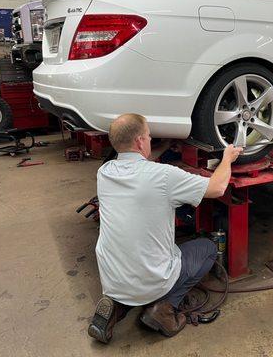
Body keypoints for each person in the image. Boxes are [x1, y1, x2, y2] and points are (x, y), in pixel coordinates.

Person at [88, 113, 242, 343]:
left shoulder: (105, 172)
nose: (151, 140)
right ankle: (163, 308)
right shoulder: (164, 176)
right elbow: (217, 187)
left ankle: (117, 306)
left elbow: (140, 165)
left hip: (112, 278)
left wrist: (166, 146)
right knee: (207, 248)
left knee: (133, 273)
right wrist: (228, 158)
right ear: (140, 141)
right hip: (153, 278)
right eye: (149, 137)